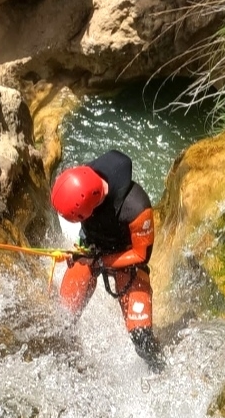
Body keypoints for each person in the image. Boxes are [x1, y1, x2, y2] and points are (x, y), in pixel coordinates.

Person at [51, 150, 165, 372]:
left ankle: (159, 369)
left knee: (141, 339)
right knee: (61, 317)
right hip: (94, 250)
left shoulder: (136, 207)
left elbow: (142, 255)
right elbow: (84, 230)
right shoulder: (79, 182)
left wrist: (102, 261)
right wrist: (81, 252)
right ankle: (67, 363)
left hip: (128, 260)